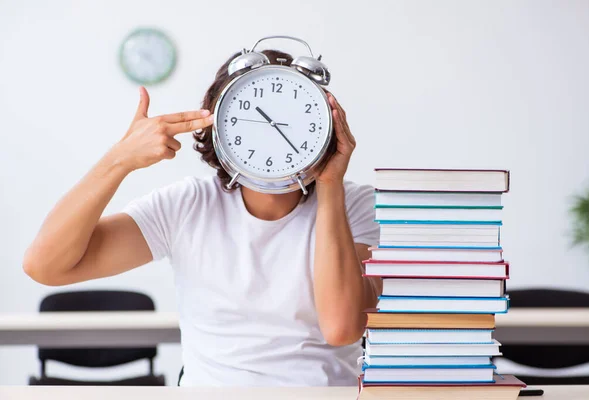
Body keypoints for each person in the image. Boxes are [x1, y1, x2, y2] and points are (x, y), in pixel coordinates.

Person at [23, 50, 381, 387]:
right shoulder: (188, 205)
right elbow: (46, 265)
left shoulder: (357, 205)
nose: (272, 132)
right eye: (256, 117)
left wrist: (331, 185)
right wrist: (120, 160)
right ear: (219, 126)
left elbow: (341, 327)